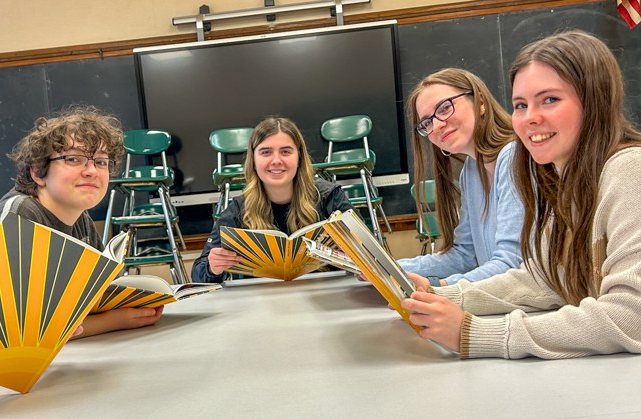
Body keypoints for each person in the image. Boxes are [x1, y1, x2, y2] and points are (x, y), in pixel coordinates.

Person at [402, 30, 641, 359]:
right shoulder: (565, 179)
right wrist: (445, 296)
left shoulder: (629, 170)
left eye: (550, 100)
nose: (530, 118)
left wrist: (475, 333)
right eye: (520, 105)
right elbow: (543, 279)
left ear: (594, 98)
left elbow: (632, 315)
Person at [0, 106, 162, 338]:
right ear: (38, 172)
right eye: (73, 159)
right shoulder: (19, 217)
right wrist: (113, 321)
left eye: (101, 162)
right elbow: (5, 329)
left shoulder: (80, 216)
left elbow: (97, 297)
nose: (92, 171)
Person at [397, 68, 523, 289]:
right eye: (426, 123)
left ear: (480, 102)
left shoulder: (514, 157)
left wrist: (438, 287)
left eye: (444, 108)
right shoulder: (471, 171)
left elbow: (512, 264)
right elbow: (466, 255)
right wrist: (389, 268)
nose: (436, 126)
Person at [192, 116, 357, 283]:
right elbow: (198, 275)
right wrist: (212, 267)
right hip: (263, 302)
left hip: (327, 297)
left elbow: (372, 251)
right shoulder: (239, 209)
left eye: (285, 151)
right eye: (266, 152)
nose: (276, 161)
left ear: (299, 158)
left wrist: (365, 265)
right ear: (254, 161)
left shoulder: (330, 197)